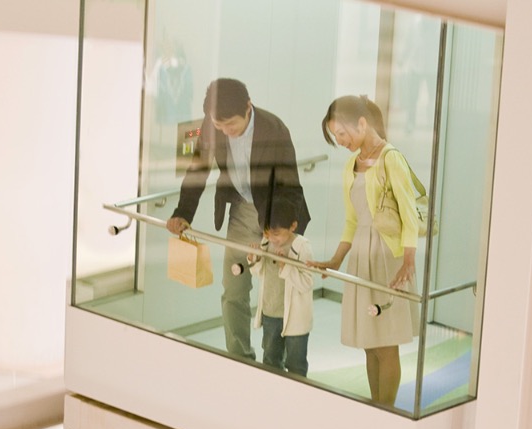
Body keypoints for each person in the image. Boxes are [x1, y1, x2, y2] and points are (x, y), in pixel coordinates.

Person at [166, 78, 311, 361]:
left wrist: (282, 234)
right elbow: (197, 170)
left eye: (230, 125)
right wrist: (182, 213)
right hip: (243, 211)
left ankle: (274, 363)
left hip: (277, 215)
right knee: (234, 289)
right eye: (219, 127)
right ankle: (239, 357)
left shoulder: (274, 129)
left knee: (277, 299)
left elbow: (289, 185)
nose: (225, 132)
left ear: (248, 107)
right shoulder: (212, 126)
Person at [309, 95, 419, 407]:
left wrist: (408, 259)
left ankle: (388, 409)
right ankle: (376, 406)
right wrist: (335, 260)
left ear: (361, 123)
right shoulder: (350, 164)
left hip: (389, 257)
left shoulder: (390, 158)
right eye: (335, 137)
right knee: (370, 343)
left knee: (387, 344)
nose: (340, 142)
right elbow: (352, 220)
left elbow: (409, 213)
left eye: (342, 134)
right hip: (361, 255)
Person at [247, 197, 314, 377]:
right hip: (271, 312)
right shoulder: (266, 241)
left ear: (293, 226)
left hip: (295, 317)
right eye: (268, 232)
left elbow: (307, 283)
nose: (272, 238)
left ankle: (297, 398)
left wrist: (287, 267)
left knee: (296, 364)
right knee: (270, 360)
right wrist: (254, 259)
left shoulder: (301, 246)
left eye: (276, 234)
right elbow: (260, 272)